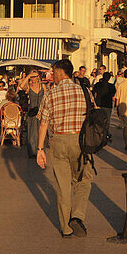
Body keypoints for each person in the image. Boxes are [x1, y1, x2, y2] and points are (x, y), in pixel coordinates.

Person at [36, 59, 94, 238]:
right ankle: (77, 215)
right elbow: (93, 116)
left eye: (53, 72)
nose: (51, 75)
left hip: (58, 140)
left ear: (61, 73)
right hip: (80, 140)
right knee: (84, 179)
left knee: (62, 185)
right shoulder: (84, 91)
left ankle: (66, 228)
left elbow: (43, 124)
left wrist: (40, 149)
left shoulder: (50, 94)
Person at [21, 72, 44, 158]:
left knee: (40, 130)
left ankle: (40, 149)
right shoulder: (29, 87)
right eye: (32, 77)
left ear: (38, 77)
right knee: (32, 131)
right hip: (32, 111)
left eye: (35, 76)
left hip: (41, 111)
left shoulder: (43, 86)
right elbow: (21, 87)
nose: (33, 78)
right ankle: (32, 151)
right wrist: (28, 76)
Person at [113, 68, 127, 149]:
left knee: (126, 126)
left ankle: (126, 144)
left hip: (123, 109)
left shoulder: (120, 85)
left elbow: (117, 98)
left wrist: (117, 109)